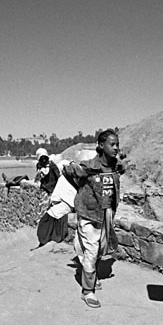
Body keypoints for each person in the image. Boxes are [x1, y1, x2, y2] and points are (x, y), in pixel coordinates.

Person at [64, 129, 124, 308]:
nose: (115, 148)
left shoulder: (116, 166)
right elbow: (70, 171)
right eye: (112, 144)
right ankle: (87, 291)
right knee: (91, 251)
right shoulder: (89, 166)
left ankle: (91, 274)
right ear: (101, 145)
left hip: (105, 215)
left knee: (99, 250)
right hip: (89, 215)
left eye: (117, 145)